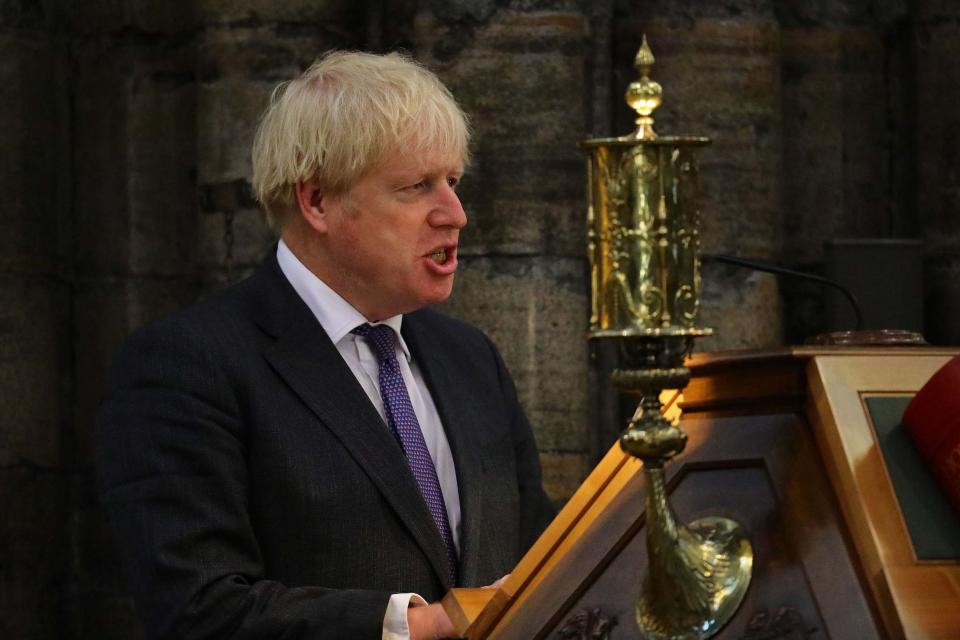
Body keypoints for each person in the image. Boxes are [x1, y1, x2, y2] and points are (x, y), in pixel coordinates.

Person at [96, 50, 555, 640]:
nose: (456, 214)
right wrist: (421, 627)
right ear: (317, 202)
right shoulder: (187, 366)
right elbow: (197, 609)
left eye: (453, 182)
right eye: (417, 187)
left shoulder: (471, 360)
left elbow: (540, 561)